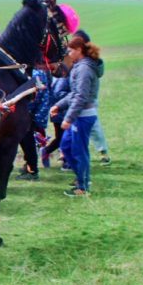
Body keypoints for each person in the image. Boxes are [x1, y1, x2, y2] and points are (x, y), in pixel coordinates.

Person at [50, 36, 101, 197]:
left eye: (70, 50)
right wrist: (59, 105)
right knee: (65, 146)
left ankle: (83, 186)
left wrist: (68, 118)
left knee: (79, 151)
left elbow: (81, 96)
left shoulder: (84, 69)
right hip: (79, 115)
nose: (68, 53)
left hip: (83, 116)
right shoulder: (79, 66)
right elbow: (74, 93)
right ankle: (81, 178)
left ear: (79, 50)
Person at [74, 29, 111, 165]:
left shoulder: (90, 60)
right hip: (76, 95)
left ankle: (103, 153)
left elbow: (98, 72)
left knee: (93, 125)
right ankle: (65, 154)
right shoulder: (76, 56)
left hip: (87, 97)